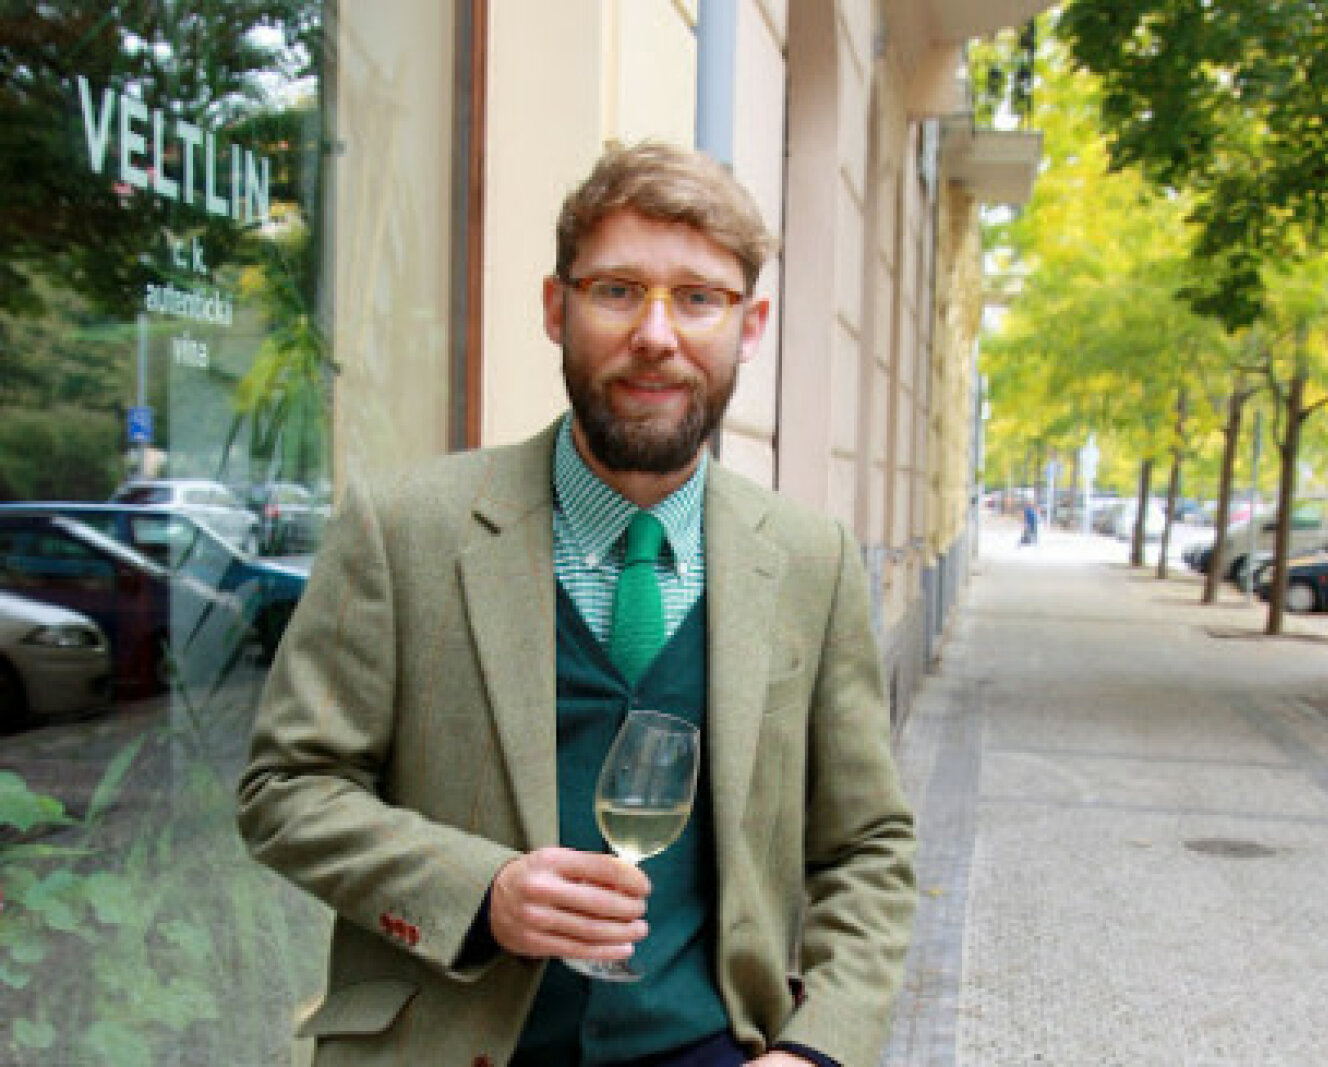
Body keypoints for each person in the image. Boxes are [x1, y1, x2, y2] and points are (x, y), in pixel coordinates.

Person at [236, 141, 917, 1067]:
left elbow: (867, 845)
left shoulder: (811, 562)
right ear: (557, 308)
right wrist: (481, 892)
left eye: (699, 297)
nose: (656, 334)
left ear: (750, 325)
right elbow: (286, 788)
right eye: (617, 290)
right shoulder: (402, 529)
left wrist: (818, 1048)